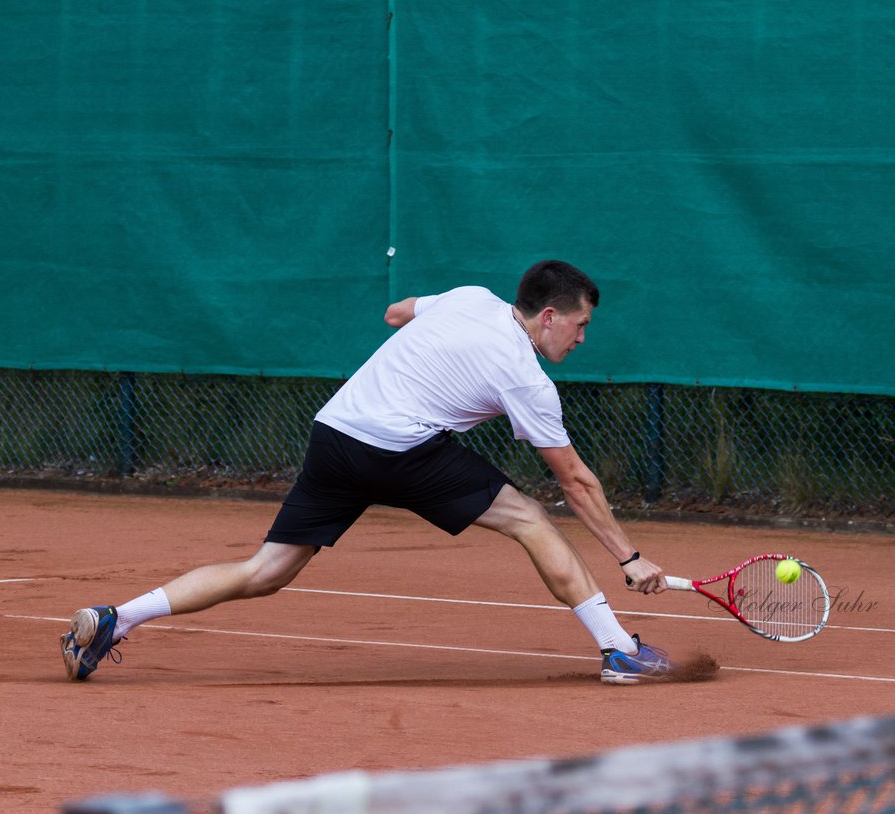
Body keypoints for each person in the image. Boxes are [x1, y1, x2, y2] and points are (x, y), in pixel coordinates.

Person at [60, 260, 678, 685]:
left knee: (265, 571)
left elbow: (396, 312)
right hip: (399, 448)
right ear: (548, 316)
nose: (582, 338)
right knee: (533, 520)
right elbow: (576, 481)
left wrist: (437, 346)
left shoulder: (469, 300)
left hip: (336, 432)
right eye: (581, 325)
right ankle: (620, 651)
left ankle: (117, 619)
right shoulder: (525, 376)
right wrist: (628, 558)